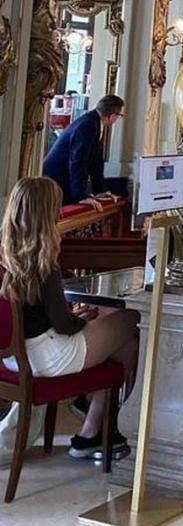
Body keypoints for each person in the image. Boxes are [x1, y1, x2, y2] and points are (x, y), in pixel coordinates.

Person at [0, 177, 139, 461]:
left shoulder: (6, 255)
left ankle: (92, 426)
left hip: (14, 357)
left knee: (111, 333)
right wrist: (80, 321)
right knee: (130, 322)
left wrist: (74, 317)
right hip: (50, 356)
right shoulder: (44, 260)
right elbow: (63, 326)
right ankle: (100, 428)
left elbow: (31, 313)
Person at [42, 94, 123, 206]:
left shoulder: (94, 122)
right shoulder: (87, 125)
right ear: (113, 115)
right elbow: (78, 160)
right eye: (119, 115)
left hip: (62, 180)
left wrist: (100, 191)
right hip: (55, 181)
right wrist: (80, 197)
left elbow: (95, 161)